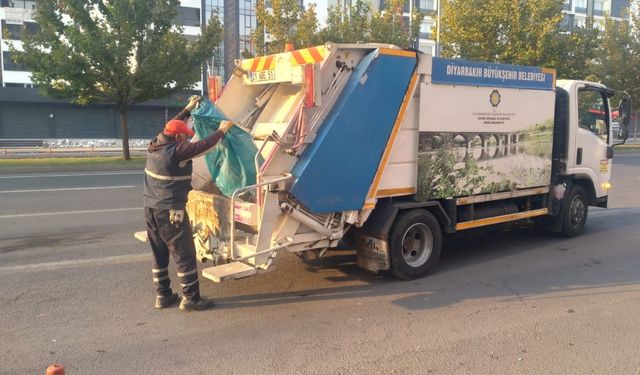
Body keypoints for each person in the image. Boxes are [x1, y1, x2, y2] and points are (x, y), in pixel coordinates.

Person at [144, 95, 234, 311]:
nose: (186, 140)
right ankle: (191, 299)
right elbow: (204, 146)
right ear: (176, 137)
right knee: (184, 254)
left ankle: (163, 296)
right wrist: (222, 130)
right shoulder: (177, 151)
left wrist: (188, 108)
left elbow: (173, 123)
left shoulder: (155, 143)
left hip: (151, 209)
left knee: (159, 253)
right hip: (170, 212)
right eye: (183, 137)